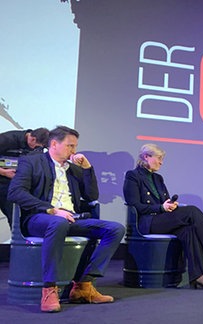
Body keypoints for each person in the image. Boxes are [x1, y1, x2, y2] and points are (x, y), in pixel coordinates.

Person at [7, 126, 125, 312]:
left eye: (75, 146)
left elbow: (92, 195)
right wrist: (51, 210)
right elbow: (15, 193)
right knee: (58, 221)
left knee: (115, 229)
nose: (74, 151)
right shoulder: (32, 162)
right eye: (70, 146)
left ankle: (84, 285)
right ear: (54, 144)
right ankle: (49, 288)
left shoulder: (74, 170)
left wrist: (87, 169)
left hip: (70, 219)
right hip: (40, 218)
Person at [123, 143, 203, 290]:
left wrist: (170, 205)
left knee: (190, 230)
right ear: (146, 157)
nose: (161, 162)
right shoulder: (133, 176)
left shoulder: (158, 178)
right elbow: (134, 205)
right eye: (159, 158)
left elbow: (165, 201)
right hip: (147, 222)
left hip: (161, 219)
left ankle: (198, 276)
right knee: (192, 211)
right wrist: (161, 207)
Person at [0, 128, 49, 226]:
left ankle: (18, 239)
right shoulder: (6, 139)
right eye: (37, 147)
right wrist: (4, 172)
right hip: (3, 178)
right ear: (32, 139)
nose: (37, 150)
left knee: (15, 217)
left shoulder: (37, 146)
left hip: (15, 184)